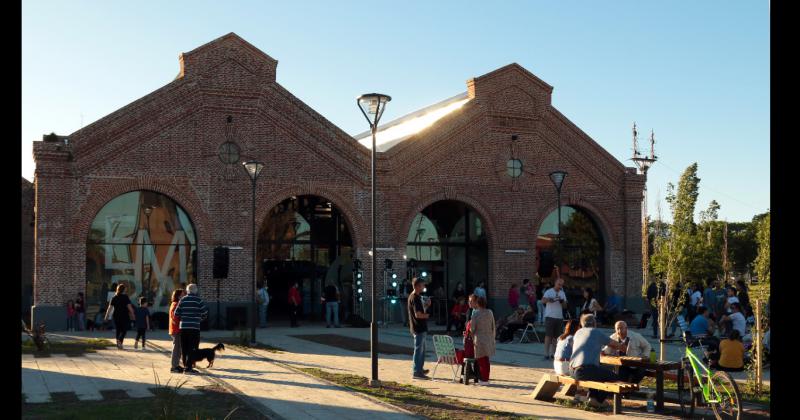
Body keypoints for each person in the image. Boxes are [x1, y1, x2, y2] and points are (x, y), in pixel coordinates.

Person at [569, 314, 628, 408]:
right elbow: (615, 345)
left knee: (597, 372)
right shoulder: (596, 332)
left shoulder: (578, 332)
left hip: (572, 370)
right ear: (594, 323)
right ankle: (598, 400)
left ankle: (593, 398)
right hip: (585, 370)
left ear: (582, 323)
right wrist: (626, 349)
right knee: (614, 377)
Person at [175, 283, 209, 373]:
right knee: (193, 348)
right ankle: (189, 368)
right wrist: (199, 319)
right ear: (196, 291)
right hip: (194, 327)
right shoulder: (199, 300)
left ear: (187, 291)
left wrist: (183, 318)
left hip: (184, 327)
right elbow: (205, 313)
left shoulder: (182, 300)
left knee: (184, 348)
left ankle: (186, 366)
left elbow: (176, 313)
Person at [467, 295, 496, 385]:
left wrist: (470, 335)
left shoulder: (475, 314)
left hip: (479, 339)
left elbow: (472, 328)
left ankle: (483, 380)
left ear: (478, 304)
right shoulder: (490, 312)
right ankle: (486, 378)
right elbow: (493, 326)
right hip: (488, 338)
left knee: (481, 360)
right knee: (486, 360)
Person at [408, 276, 432, 380]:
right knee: (419, 350)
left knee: (421, 350)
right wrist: (427, 315)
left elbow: (420, 311)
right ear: (417, 286)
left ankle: (419, 369)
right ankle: (417, 371)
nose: (424, 287)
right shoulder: (415, 298)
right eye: (422, 285)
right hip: (418, 327)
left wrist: (427, 305)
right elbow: (418, 314)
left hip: (418, 327)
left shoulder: (414, 296)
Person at [542, 277, 567, 360]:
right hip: (550, 316)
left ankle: (554, 353)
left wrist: (562, 302)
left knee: (557, 337)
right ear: (555, 283)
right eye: (559, 284)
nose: (560, 286)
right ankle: (546, 353)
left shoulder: (562, 293)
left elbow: (565, 306)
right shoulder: (549, 291)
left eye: (561, 285)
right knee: (548, 335)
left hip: (559, 317)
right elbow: (543, 300)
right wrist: (549, 299)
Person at [105, 283, 135, 349]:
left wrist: (106, 316)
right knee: (124, 329)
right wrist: (133, 314)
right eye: (125, 289)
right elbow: (129, 307)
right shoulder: (125, 297)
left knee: (118, 330)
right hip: (124, 315)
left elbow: (109, 308)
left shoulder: (114, 298)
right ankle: (120, 341)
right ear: (123, 290)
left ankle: (118, 344)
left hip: (116, 316)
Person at [169, 289, 185, 373]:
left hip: (176, 329)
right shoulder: (175, 304)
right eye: (183, 294)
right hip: (176, 329)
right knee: (176, 348)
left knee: (178, 348)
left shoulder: (175, 304)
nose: (184, 296)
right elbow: (175, 318)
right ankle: (174, 367)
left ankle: (177, 365)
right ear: (179, 296)